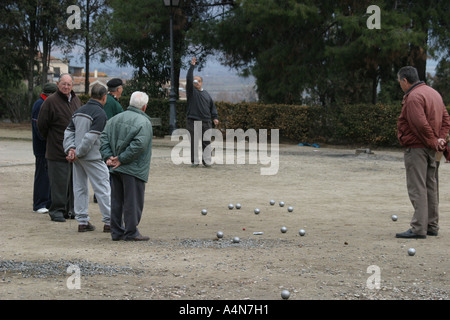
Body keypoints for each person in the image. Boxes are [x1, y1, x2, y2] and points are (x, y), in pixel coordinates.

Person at [396, 66, 450, 239]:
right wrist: (440, 139)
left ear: (405, 80)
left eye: (399, 82)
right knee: (431, 186)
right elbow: (446, 119)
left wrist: (434, 141)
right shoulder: (434, 93)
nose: (400, 85)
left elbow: (419, 124)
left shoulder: (413, 97)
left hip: (418, 148)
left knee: (417, 186)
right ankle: (432, 225)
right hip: (432, 148)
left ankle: (419, 227)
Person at [100, 91, 153, 241]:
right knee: (133, 201)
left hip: (115, 167)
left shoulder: (114, 119)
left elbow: (103, 138)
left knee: (117, 200)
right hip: (133, 168)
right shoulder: (144, 123)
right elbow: (138, 146)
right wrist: (121, 159)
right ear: (144, 107)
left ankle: (116, 231)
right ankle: (131, 232)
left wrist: (109, 157)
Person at [63, 84, 111, 232]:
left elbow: (68, 132)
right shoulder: (100, 114)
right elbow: (90, 138)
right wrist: (78, 152)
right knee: (103, 188)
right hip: (93, 157)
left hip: (78, 158)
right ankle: (110, 221)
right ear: (104, 97)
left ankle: (82, 220)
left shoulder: (79, 111)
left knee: (80, 188)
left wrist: (71, 149)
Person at [37, 73, 81, 222]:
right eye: (63, 84)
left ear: (72, 86)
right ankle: (56, 211)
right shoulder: (50, 102)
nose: (66, 87)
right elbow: (41, 125)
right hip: (56, 151)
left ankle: (71, 210)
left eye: (69, 84)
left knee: (72, 184)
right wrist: (52, 140)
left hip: (74, 151)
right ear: (58, 84)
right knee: (59, 184)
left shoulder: (76, 100)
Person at [92, 78, 123, 204]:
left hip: (101, 137)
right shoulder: (114, 103)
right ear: (119, 89)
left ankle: (98, 194)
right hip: (109, 139)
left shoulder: (107, 101)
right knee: (107, 168)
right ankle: (103, 194)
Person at [186, 57, 219, 167]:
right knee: (194, 143)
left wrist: (215, 117)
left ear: (201, 82)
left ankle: (207, 161)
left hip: (206, 122)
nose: (196, 82)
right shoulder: (191, 92)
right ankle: (195, 161)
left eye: (198, 81)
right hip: (193, 121)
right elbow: (189, 79)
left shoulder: (206, 94)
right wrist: (192, 66)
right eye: (194, 81)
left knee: (206, 142)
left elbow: (212, 107)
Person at [31, 83, 57, 214]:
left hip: (47, 147)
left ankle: (46, 201)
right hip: (42, 148)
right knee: (42, 175)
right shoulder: (40, 104)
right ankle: (39, 203)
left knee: (47, 175)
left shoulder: (43, 103)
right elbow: (39, 129)